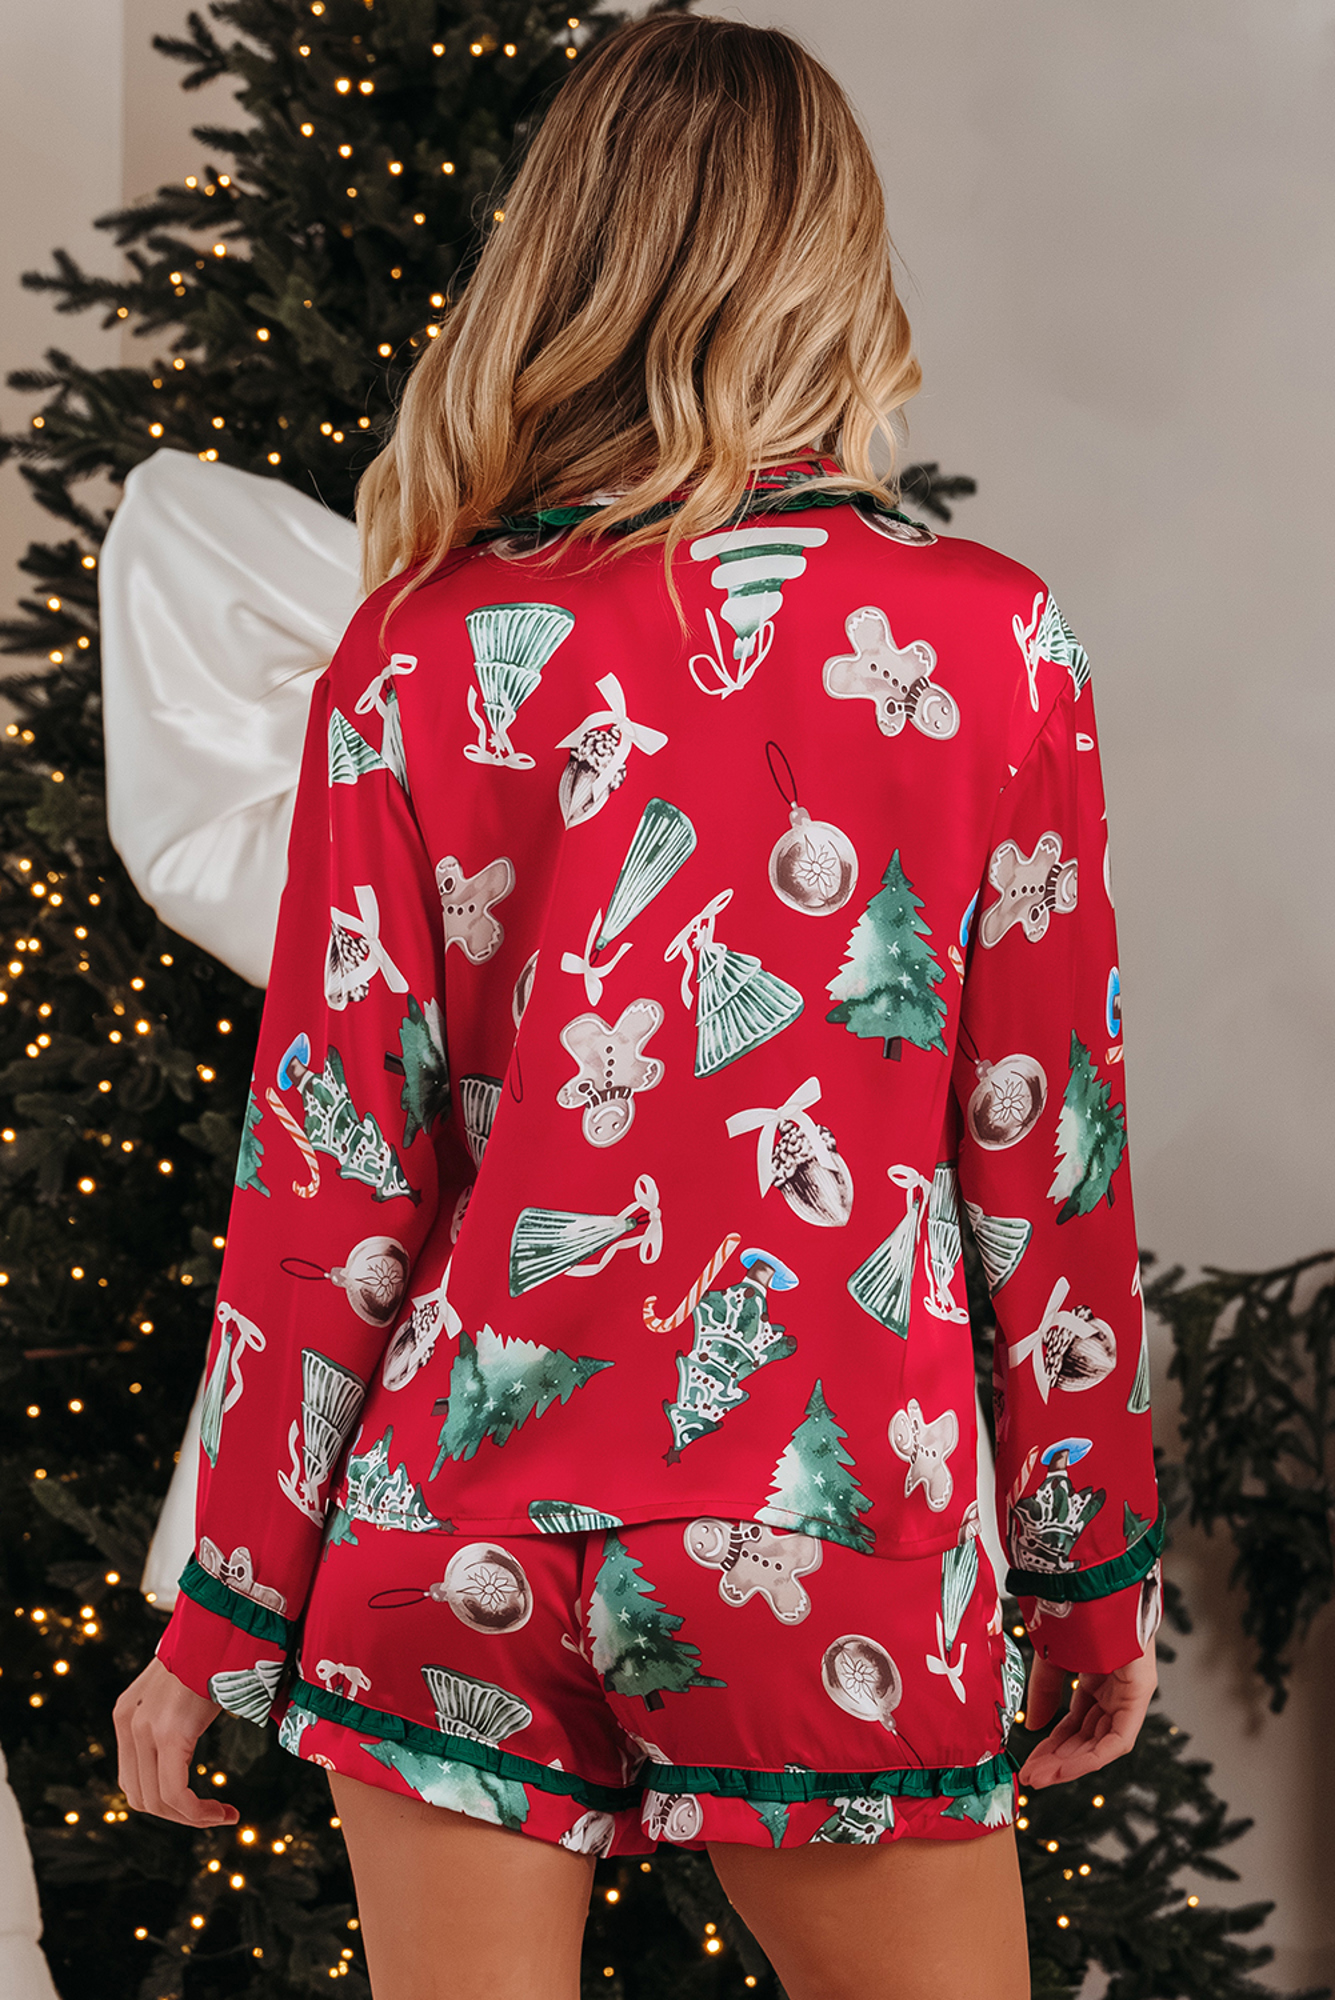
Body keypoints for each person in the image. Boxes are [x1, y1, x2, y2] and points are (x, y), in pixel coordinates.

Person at [113, 15, 1161, 1997]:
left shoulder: (413, 650)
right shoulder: (987, 641)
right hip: (824, 1527)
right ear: (832, 263)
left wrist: (226, 1612)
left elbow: (330, 1176)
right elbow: (1045, 1147)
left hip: (448, 1530)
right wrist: (1087, 1566)